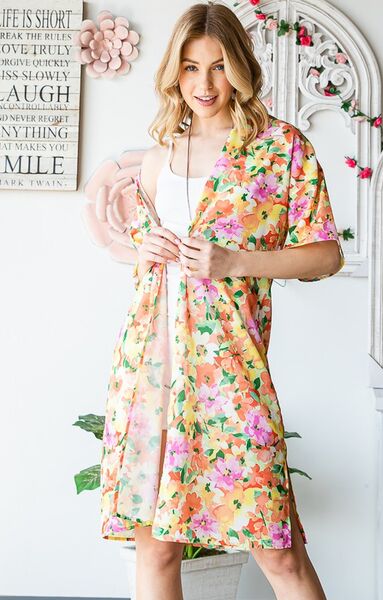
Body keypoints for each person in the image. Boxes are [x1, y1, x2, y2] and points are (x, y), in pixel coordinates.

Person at [100, 3, 345, 600]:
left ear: (240, 68)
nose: (204, 84)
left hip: (229, 375)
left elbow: (325, 255)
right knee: (156, 548)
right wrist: (146, 249)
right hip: (152, 370)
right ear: (173, 74)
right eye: (190, 68)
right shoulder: (158, 158)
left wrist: (235, 262)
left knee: (279, 554)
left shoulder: (280, 149)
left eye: (218, 67)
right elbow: (145, 267)